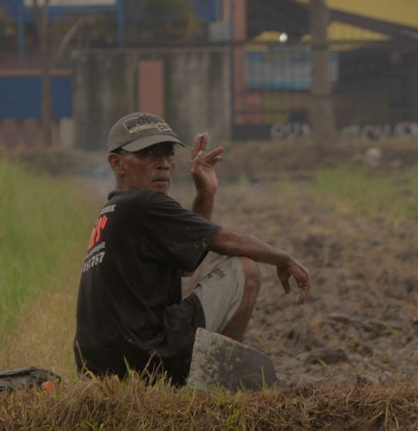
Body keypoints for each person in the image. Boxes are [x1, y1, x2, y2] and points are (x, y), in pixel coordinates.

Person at [74, 110, 310, 385]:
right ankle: (215, 384)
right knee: (245, 269)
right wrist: (283, 258)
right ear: (117, 163)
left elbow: (185, 267)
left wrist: (205, 192)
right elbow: (227, 241)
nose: (162, 163)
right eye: (148, 154)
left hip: (102, 368)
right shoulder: (144, 203)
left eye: (167, 153)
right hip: (146, 355)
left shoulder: (113, 211)